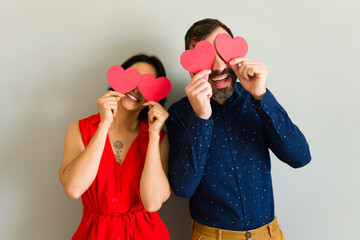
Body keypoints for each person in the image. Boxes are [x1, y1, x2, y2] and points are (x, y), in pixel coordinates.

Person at [166, 18, 311, 240]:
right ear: (190, 68)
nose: (218, 67)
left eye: (223, 54)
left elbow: (300, 157)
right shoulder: (179, 114)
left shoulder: (257, 99)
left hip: (269, 234)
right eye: (206, 57)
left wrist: (261, 97)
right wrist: (201, 118)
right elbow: (183, 188)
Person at [59, 54, 171, 240]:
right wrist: (104, 125)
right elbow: (73, 189)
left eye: (146, 84)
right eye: (133, 77)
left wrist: (152, 135)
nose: (136, 88)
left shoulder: (159, 138)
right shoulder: (80, 130)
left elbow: (152, 204)